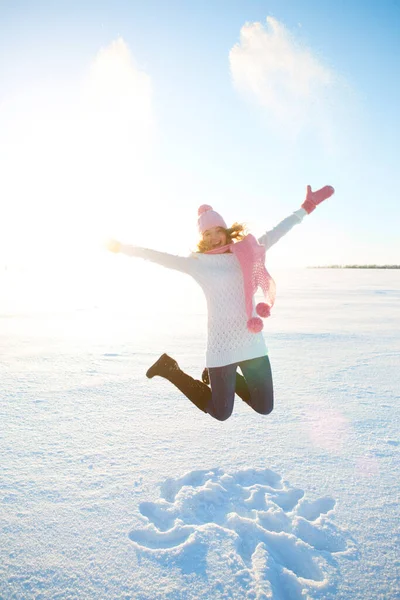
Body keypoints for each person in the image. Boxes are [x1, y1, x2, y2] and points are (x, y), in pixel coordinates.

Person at [107, 184, 334, 422]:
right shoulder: (198, 263)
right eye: (207, 234)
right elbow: (157, 256)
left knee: (264, 406)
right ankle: (169, 368)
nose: (214, 238)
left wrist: (306, 208)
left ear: (225, 230)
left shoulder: (247, 251)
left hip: (251, 340)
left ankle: (226, 377)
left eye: (218, 231)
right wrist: (121, 248)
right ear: (202, 238)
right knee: (221, 412)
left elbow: (279, 230)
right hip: (221, 345)